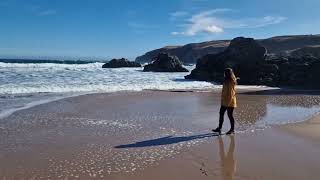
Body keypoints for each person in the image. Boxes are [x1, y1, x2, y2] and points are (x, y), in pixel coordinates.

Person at [213, 68, 237, 135]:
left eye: (225, 73)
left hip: (229, 102)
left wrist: (228, 103)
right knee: (221, 114)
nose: (224, 74)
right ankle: (219, 128)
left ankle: (232, 129)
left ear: (227, 74)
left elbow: (231, 93)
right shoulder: (227, 80)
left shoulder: (230, 81)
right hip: (225, 101)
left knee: (230, 115)